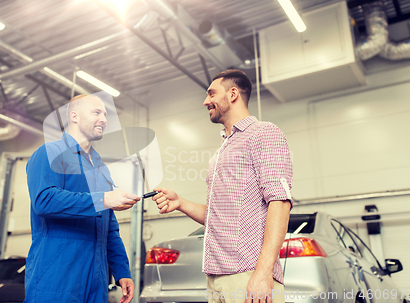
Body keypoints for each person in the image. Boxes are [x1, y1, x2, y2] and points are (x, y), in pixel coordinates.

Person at [153, 70, 293, 303]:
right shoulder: (221, 152)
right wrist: (181, 203)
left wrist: (263, 272)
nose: (206, 101)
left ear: (233, 94)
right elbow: (217, 217)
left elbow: (280, 203)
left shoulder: (263, 133)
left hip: (248, 274)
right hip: (217, 277)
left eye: (211, 94)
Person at [25, 94, 140, 303]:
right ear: (74, 116)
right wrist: (104, 199)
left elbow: (110, 229)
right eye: (97, 112)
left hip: (96, 280)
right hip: (56, 276)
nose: (104, 119)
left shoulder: (100, 168)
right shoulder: (49, 153)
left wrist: (122, 271)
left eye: (105, 114)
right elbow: (44, 200)